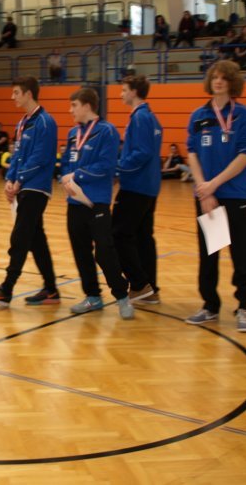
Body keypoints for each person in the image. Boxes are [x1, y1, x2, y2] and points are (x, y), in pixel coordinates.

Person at [184, 60, 246, 333]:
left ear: (232, 82)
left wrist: (213, 185)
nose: (218, 81)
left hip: (234, 194)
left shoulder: (243, 115)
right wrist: (203, 189)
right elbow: (192, 153)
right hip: (207, 196)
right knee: (210, 252)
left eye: (224, 78)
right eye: (214, 77)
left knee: (240, 252)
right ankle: (210, 305)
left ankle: (243, 306)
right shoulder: (199, 115)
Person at [0, 77, 60, 307]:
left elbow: (40, 158)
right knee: (36, 239)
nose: (12, 96)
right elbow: (17, 155)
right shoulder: (22, 123)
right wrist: (10, 179)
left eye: (16, 92)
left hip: (36, 187)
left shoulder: (45, 122)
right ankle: (51, 289)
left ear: (28, 94)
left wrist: (20, 180)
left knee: (21, 237)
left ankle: (6, 289)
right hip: (23, 186)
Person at [60, 87, 134, 318]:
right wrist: (64, 178)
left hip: (97, 202)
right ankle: (93, 296)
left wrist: (76, 175)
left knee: (104, 252)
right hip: (74, 202)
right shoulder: (73, 133)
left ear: (87, 106)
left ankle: (122, 296)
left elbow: (106, 166)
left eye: (74, 105)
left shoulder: (107, 131)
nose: (70, 110)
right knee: (80, 251)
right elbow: (65, 162)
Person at [113, 75, 163, 304]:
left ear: (134, 92)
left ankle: (139, 283)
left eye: (124, 90)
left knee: (118, 234)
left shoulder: (140, 117)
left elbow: (142, 152)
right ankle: (150, 289)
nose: (121, 94)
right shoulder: (151, 117)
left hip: (135, 186)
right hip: (149, 186)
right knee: (143, 238)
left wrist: (118, 168)